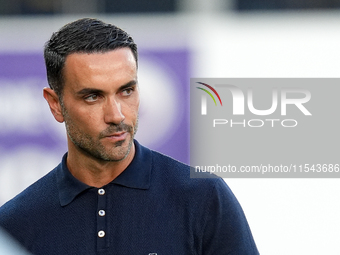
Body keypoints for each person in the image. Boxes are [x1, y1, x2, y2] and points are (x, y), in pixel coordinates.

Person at [0, 18, 259, 254]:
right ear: (55, 104)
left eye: (126, 91)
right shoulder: (15, 224)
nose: (116, 115)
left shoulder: (203, 198)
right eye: (93, 96)